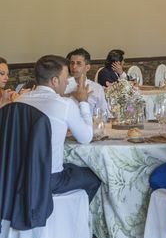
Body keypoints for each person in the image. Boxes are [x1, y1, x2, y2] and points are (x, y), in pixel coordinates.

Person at [17, 55, 101, 202]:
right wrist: (83, 102)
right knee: (94, 177)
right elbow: (86, 137)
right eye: (65, 79)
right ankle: (73, 220)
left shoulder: (19, 100)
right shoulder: (64, 104)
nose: (67, 82)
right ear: (54, 81)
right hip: (50, 180)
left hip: (16, 177)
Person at [66, 48, 108, 115]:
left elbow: (103, 113)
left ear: (87, 67)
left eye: (78, 63)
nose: (74, 67)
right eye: (72, 63)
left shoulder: (96, 88)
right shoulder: (63, 86)